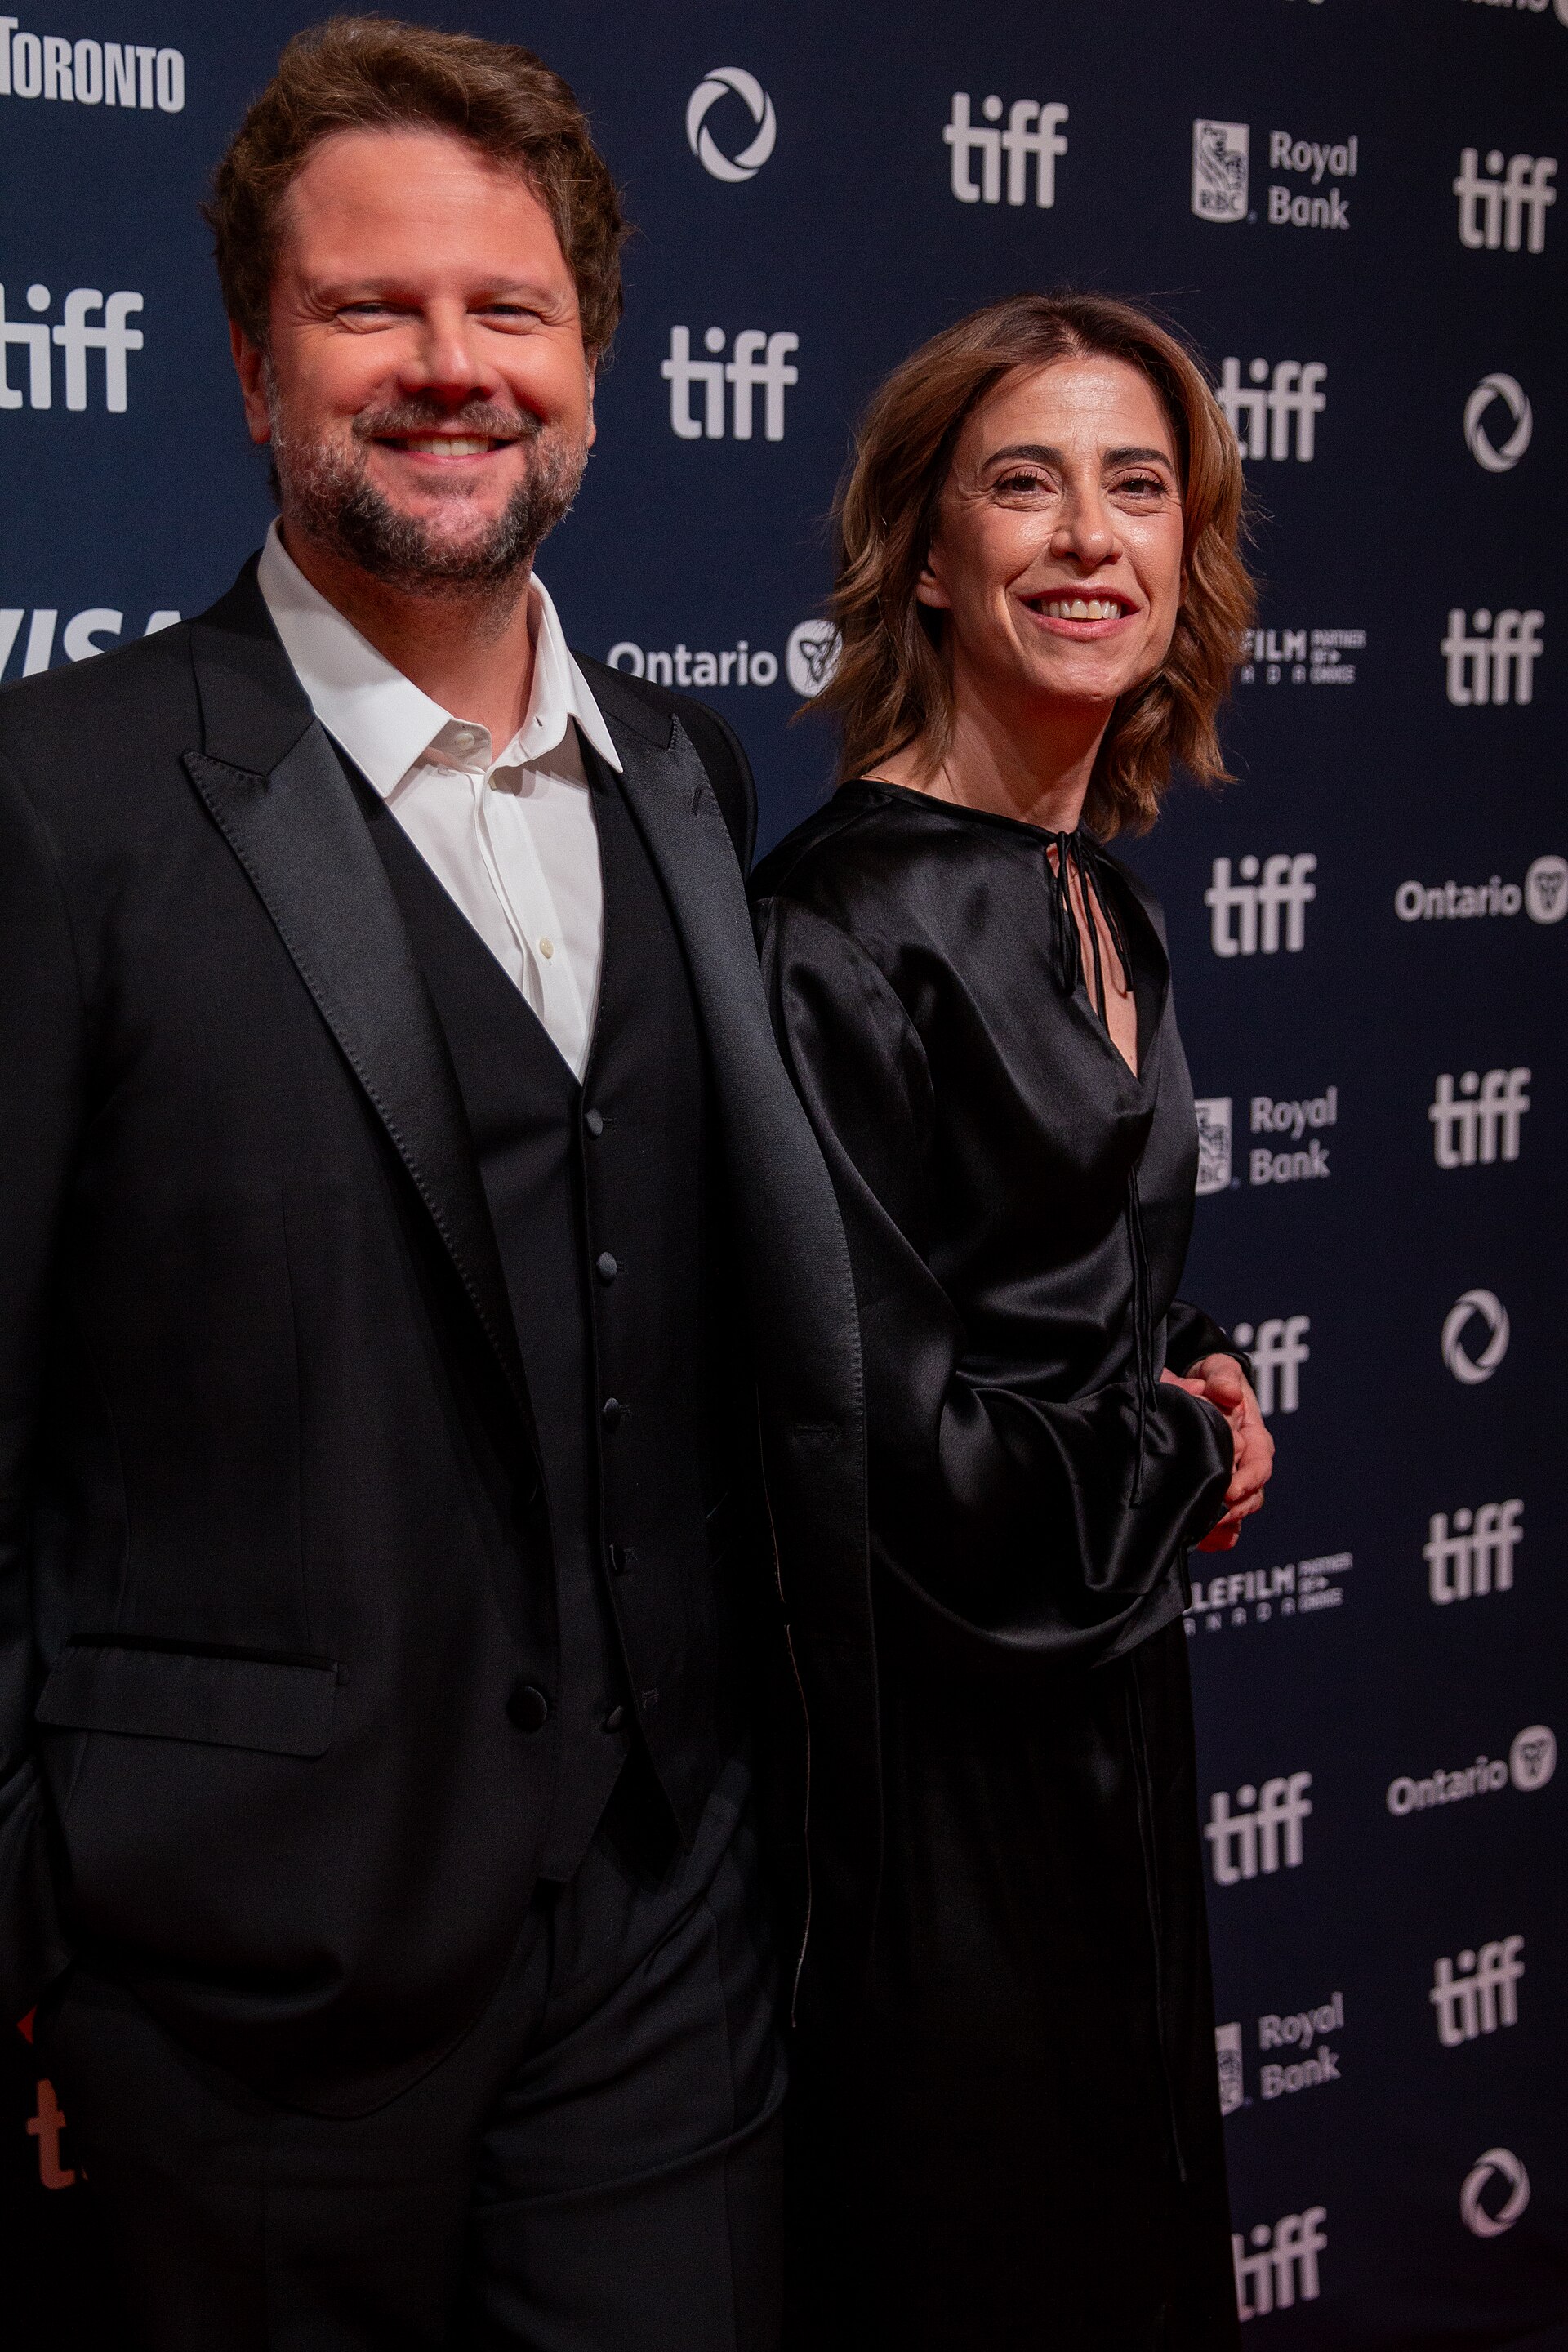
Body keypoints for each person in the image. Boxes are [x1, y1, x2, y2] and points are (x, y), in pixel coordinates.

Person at [0, 20, 865, 2347]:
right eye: (372, 309)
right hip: (233, 1999)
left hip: (669, 1954)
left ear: (591, 361)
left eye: (510, 312)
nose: (448, 369)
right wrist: (26, 1966)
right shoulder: (55, 797)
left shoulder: (686, 773)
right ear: (253, 359)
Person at [751, 292, 1276, 2350]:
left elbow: (1062, 1265)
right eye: (1024, 484)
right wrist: (1192, 1447)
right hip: (936, 1819)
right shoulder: (840, 929)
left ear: (1188, 550)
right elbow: (905, 1459)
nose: (1088, 537)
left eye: (1137, 486)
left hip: (1112, 1753)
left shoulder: (1106, 895)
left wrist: (1185, 1360)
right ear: (927, 552)